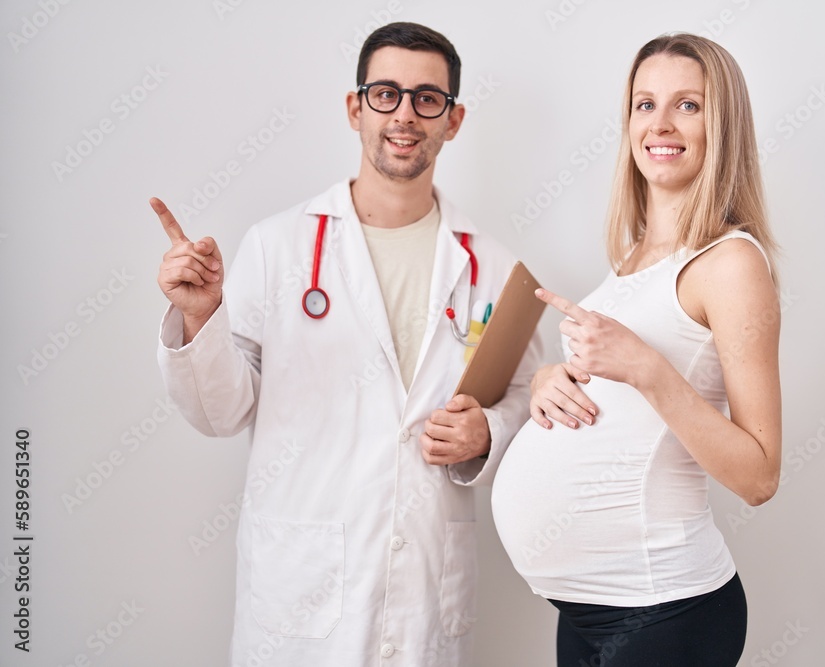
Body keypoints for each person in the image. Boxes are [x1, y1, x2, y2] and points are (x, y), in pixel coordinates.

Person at [152, 22, 541, 667]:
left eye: (428, 98)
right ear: (355, 107)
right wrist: (201, 319)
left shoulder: (495, 268)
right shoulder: (277, 248)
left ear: (455, 119)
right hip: (298, 603)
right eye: (386, 93)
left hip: (423, 597)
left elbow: (529, 398)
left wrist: (489, 433)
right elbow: (219, 413)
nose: (406, 115)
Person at [491, 33, 781, 667]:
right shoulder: (632, 262)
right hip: (591, 610)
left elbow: (759, 476)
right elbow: (618, 397)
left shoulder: (730, 263)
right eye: (644, 104)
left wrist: (647, 368)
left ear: (722, 125)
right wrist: (550, 381)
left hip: (664, 609)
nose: (661, 124)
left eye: (689, 105)